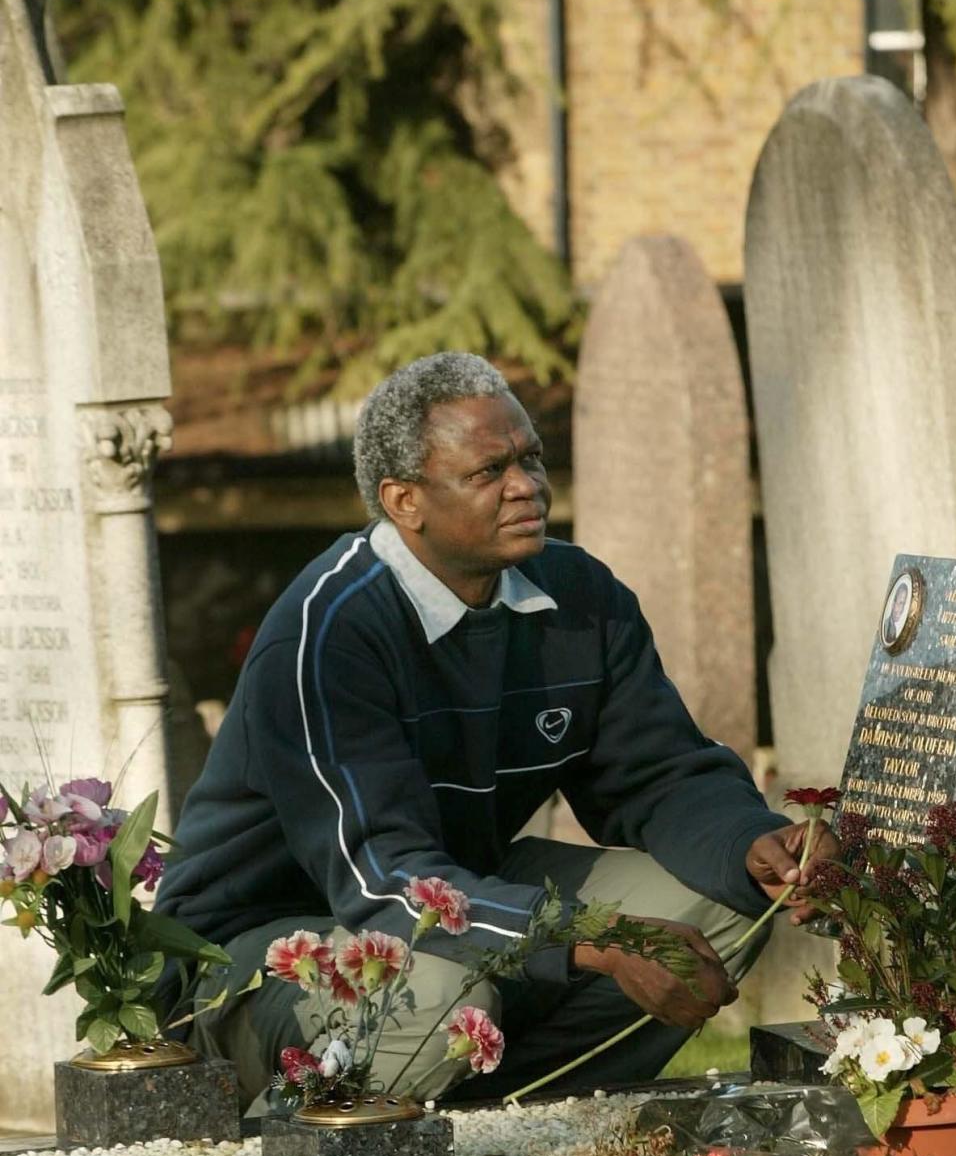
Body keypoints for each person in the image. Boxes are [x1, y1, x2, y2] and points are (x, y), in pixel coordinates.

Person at [160, 353, 831, 1109]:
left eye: (531, 458)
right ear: (404, 500)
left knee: (722, 900)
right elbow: (384, 883)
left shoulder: (578, 595)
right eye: (487, 472)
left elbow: (659, 773)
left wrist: (752, 843)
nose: (527, 486)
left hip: (451, 895)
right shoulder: (329, 632)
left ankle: (512, 1119)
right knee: (438, 996)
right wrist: (597, 941)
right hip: (257, 953)